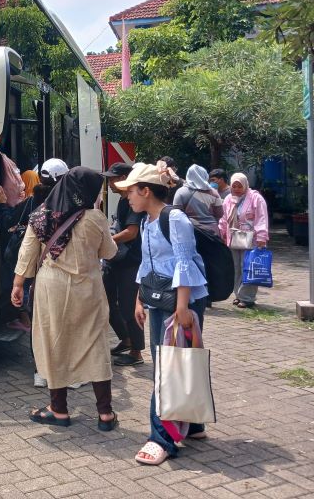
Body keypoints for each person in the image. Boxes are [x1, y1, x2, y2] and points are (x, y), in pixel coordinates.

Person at [112, 163, 209, 466]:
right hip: (159, 298)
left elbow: (184, 261)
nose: (127, 197)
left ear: (145, 190)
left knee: (168, 367)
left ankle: (162, 438)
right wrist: (140, 299)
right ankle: (192, 424)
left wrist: (183, 307)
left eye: (130, 191)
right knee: (178, 362)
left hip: (180, 302)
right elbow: (149, 262)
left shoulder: (174, 218)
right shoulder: (147, 221)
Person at [11, 167, 119, 430]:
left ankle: (58, 409)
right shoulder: (95, 218)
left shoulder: (41, 215)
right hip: (89, 289)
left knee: (54, 342)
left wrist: (17, 284)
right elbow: (110, 252)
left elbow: (27, 253)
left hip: (52, 289)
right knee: (95, 344)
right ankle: (105, 413)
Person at [0, 158, 68, 388]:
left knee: (40, 324)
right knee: (63, 324)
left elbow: (25, 247)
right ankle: (64, 371)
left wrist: (18, 282)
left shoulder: (32, 207)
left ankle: (41, 370)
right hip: (66, 277)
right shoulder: (74, 208)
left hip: (38, 277)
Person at [101, 162, 145, 367]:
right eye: (109, 179)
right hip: (116, 259)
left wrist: (107, 241)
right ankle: (125, 338)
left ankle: (136, 351)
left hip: (130, 261)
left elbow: (132, 232)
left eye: (113, 178)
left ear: (126, 178)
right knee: (105, 299)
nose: (110, 183)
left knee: (129, 306)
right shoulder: (122, 200)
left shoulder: (132, 200)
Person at [218, 173, 269, 308]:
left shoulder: (255, 198)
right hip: (233, 237)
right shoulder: (229, 199)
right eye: (233, 186)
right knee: (236, 268)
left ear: (245, 185)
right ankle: (238, 295)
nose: (236, 189)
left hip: (251, 239)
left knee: (248, 267)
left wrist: (262, 237)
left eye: (239, 186)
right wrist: (222, 233)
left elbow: (261, 218)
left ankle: (247, 298)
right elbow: (224, 218)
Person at [173, 165, 224, 236]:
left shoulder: (181, 192)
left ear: (188, 176)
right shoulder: (214, 193)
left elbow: (176, 214)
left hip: (190, 232)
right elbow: (220, 214)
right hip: (212, 233)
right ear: (205, 176)